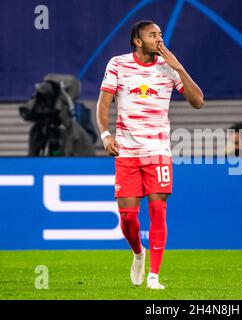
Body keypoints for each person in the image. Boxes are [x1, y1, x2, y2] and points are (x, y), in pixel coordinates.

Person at [96, 20, 204, 289]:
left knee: (158, 210)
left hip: (158, 151)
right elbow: (103, 102)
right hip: (127, 152)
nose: (159, 39)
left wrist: (179, 68)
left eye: (160, 35)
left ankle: (154, 277)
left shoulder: (168, 67)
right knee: (128, 218)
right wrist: (105, 134)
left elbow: (198, 102)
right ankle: (138, 254)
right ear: (137, 41)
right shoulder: (118, 64)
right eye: (153, 35)